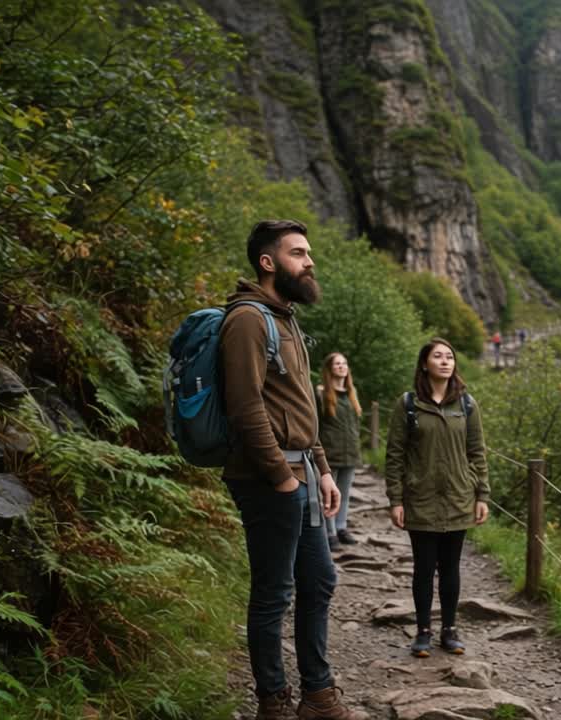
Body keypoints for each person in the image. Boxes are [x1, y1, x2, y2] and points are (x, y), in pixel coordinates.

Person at [221, 219, 364, 720]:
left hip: (300, 472)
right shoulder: (247, 320)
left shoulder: (286, 318)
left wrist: (321, 468)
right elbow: (245, 405)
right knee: (273, 593)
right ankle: (273, 701)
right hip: (268, 478)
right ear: (268, 262)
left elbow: (300, 405)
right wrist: (281, 479)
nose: (310, 262)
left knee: (319, 579)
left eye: (308, 253)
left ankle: (318, 696)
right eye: (299, 253)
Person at [385, 338, 490, 658]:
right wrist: (396, 498)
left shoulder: (467, 405)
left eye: (450, 357)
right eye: (438, 356)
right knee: (423, 567)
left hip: (459, 497)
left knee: (451, 568)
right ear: (424, 364)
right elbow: (395, 455)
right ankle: (423, 632)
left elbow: (477, 452)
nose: (445, 361)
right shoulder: (409, 404)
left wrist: (482, 493)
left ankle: (449, 629)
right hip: (421, 498)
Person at [317, 352, 362, 548]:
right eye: (337, 364)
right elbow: (315, 425)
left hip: (350, 453)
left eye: (344, 363)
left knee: (344, 493)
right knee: (328, 495)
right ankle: (330, 533)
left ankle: (341, 527)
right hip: (330, 454)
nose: (342, 366)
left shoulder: (352, 394)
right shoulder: (321, 393)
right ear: (330, 368)